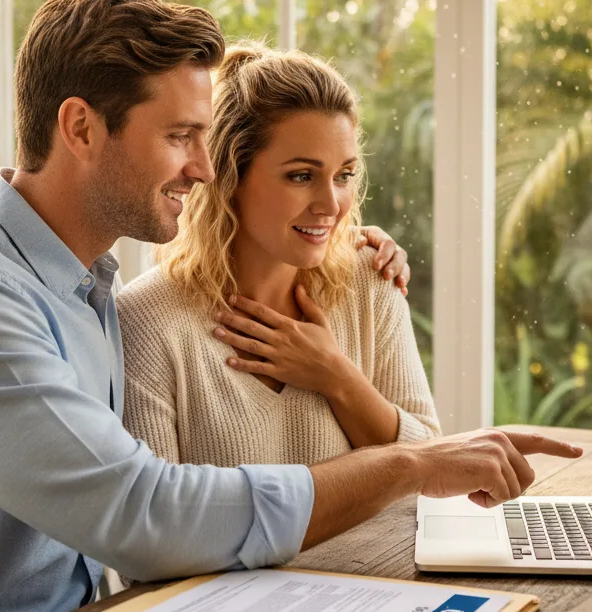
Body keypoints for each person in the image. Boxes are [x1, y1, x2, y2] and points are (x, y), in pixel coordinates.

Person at [0, 2, 582, 610]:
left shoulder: (82, 287)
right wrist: (409, 462)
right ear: (81, 127)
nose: (206, 167)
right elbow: (145, 516)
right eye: (182, 135)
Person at [118, 43, 440, 470]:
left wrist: (336, 376)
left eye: (343, 175)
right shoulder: (148, 321)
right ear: (229, 174)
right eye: (302, 176)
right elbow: (160, 523)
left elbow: (434, 464)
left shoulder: (371, 278)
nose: (332, 204)